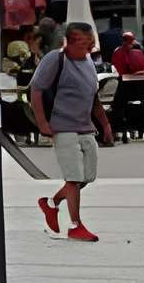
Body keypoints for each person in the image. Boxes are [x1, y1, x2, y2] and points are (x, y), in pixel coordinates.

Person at [27, 21, 107, 244]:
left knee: (86, 177)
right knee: (73, 178)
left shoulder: (89, 62)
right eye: (84, 41)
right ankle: (75, 225)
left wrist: (105, 124)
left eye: (91, 41)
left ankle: (51, 204)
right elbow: (36, 90)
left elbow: (93, 95)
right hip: (63, 126)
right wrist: (42, 122)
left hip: (85, 127)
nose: (90, 45)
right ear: (70, 42)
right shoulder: (55, 59)